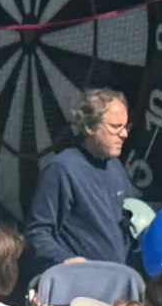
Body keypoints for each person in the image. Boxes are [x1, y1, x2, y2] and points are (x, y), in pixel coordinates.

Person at [23, 89, 133, 274]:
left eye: (126, 127)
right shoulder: (62, 169)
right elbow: (38, 233)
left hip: (118, 286)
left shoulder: (116, 168)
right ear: (90, 127)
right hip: (82, 289)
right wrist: (66, 260)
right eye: (115, 127)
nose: (124, 135)